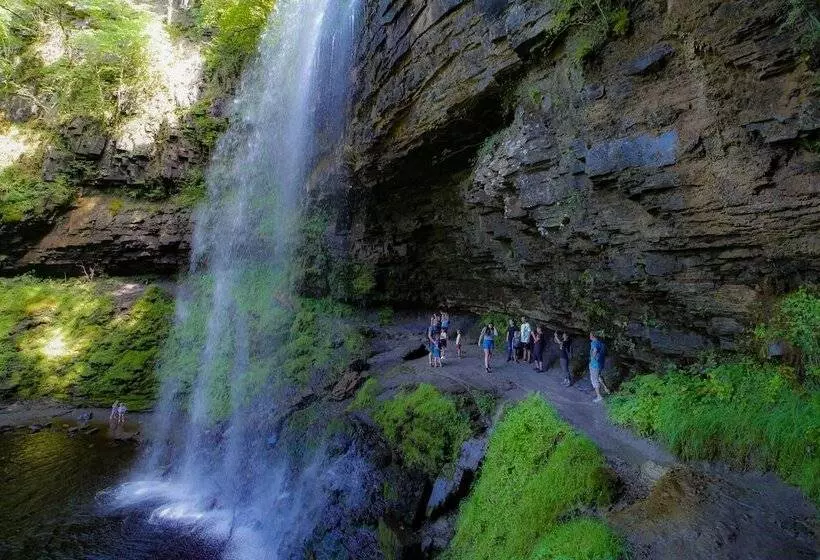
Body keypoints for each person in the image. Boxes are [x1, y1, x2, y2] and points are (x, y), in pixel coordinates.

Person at [589, 332, 610, 402]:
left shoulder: (594, 343)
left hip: (595, 365)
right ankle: (606, 388)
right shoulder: (602, 343)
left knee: (594, 380)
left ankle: (599, 396)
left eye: (590, 334)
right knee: (598, 376)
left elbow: (594, 351)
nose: (589, 336)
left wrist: (592, 357)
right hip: (601, 364)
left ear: (593, 336)